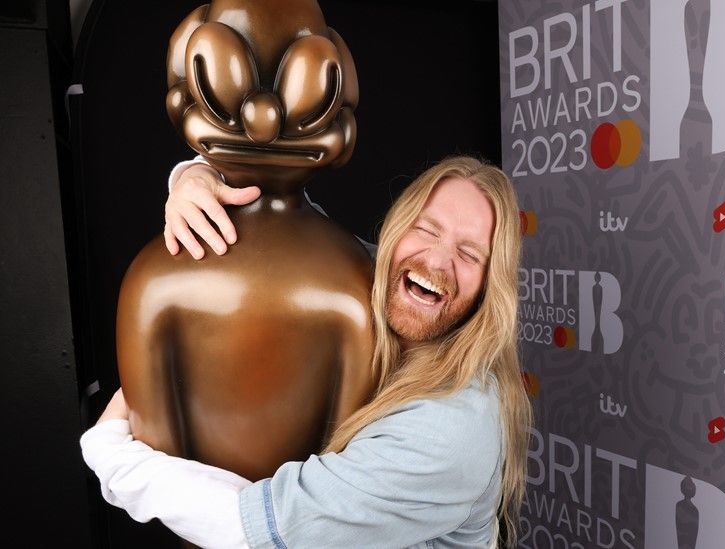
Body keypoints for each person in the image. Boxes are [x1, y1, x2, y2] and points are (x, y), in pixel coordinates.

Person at [81, 156, 531, 548]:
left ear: (490, 288)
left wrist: (112, 459)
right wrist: (195, 177)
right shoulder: (373, 274)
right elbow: (282, 209)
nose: (436, 261)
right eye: (426, 229)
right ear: (397, 229)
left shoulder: (452, 428)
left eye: (470, 254)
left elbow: (258, 530)